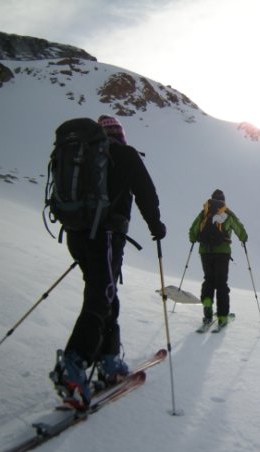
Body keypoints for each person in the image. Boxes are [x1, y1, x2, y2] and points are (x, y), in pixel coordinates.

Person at [50, 115, 166, 408]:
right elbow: (146, 192)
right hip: (105, 233)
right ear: (120, 135)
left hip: (77, 232)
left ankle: (108, 360)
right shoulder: (124, 154)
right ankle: (74, 366)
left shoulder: (83, 156)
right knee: (101, 297)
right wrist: (156, 226)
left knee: (105, 292)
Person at [189, 189, 248, 327]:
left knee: (208, 280)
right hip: (222, 253)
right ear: (223, 200)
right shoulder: (226, 213)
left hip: (205, 252)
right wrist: (244, 238)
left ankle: (208, 305)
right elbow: (239, 229)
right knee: (221, 283)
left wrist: (193, 239)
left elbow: (193, 230)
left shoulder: (204, 212)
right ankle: (222, 316)